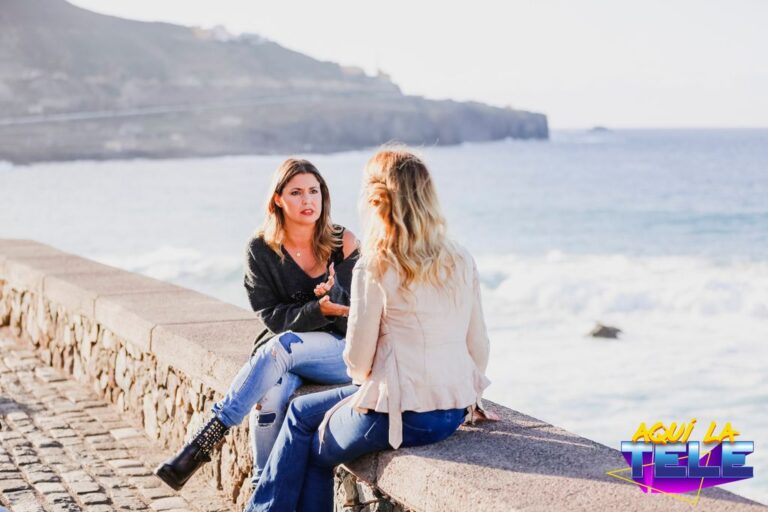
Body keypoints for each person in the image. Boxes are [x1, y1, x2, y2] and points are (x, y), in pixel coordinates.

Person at [245, 148, 492, 512]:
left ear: (378, 201)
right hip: (453, 409)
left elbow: (358, 364)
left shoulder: (376, 265)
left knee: (310, 440)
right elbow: (479, 345)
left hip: (401, 414)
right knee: (299, 412)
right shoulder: (460, 257)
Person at [154, 158, 359, 490]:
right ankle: (264, 491)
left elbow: (358, 316)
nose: (308, 200)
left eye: (314, 191)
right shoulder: (260, 250)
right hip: (285, 355)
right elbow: (272, 317)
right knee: (268, 401)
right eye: (296, 193)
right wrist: (316, 309)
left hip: (339, 353)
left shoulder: (342, 242)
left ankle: (206, 439)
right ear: (278, 199)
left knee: (285, 347)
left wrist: (333, 300)